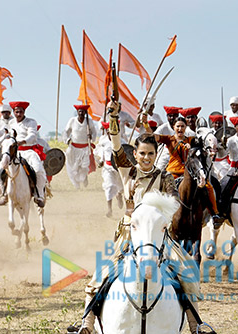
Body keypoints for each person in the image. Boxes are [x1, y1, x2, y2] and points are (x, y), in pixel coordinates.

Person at [79, 101, 214, 334]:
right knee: (100, 276)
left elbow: (172, 204)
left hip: (160, 237)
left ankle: (195, 324)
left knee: (187, 276)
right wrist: (113, 116)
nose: (145, 158)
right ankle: (87, 322)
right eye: (141, 153)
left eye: (150, 153)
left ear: (155, 154)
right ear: (136, 154)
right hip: (129, 234)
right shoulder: (128, 171)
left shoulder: (166, 178)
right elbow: (116, 145)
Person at [145, 114, 223, 224]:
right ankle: (155, 212)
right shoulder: (169, 139)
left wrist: (215, 143)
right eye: (178, 126)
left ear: (185, 128)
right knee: (158, 187)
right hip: (172, 173)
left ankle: (214, 214)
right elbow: (153, 136)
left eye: (182, 126)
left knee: (208, 186)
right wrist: (144, 123)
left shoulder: (191, 140)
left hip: (189, 173)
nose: (180, 129)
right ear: (174, 128)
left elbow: (204, 143)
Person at [0, 101, 47, 208]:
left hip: (28, 152)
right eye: (16, 112)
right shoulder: (11, 123)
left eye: (21, 112)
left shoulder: (31, 122)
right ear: (13, 112)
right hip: (15, 153)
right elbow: (7, 136)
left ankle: (39, 196)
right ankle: (4, 194)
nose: (18, 114)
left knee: (39, 170)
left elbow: (32, 135)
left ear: (24, 112)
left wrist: (22, 142)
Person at [62, 105, 98, 189]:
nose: (81, 113)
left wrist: (91, 137)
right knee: (74, 167)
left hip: (85, 148)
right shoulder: (72, 121)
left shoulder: (89, 121)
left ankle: (84, 177)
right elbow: (66, 131)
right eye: (79, 111)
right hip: (74, 148)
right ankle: (76, 185)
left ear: (85, 113)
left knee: (84, 167)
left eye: (83, 111)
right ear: (77, 112)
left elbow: (94, 132)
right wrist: (67, 140)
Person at [93, 122, 124, 218]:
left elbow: (128, 153)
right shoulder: (103, 141)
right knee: (110, 186)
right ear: (107, 132)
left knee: (121, 188)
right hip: (108, 168)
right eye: (110, 132)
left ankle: (119, 195)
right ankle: (109, 209)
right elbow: (99, 150)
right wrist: (101, 160)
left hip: (119, 169)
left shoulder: (122, 141)